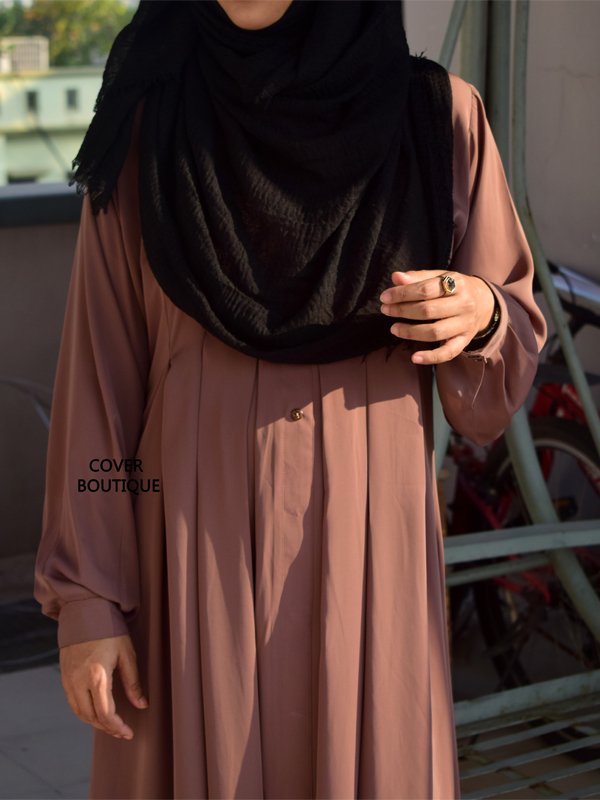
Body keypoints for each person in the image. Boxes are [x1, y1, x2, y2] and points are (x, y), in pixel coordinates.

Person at [33, 1, 547, 798]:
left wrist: (482, 314)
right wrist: (88, 600)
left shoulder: (439, 119)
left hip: (368, 561)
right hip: (188, 564)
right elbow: (100, 384)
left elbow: (502, 363)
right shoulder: (148, 124)